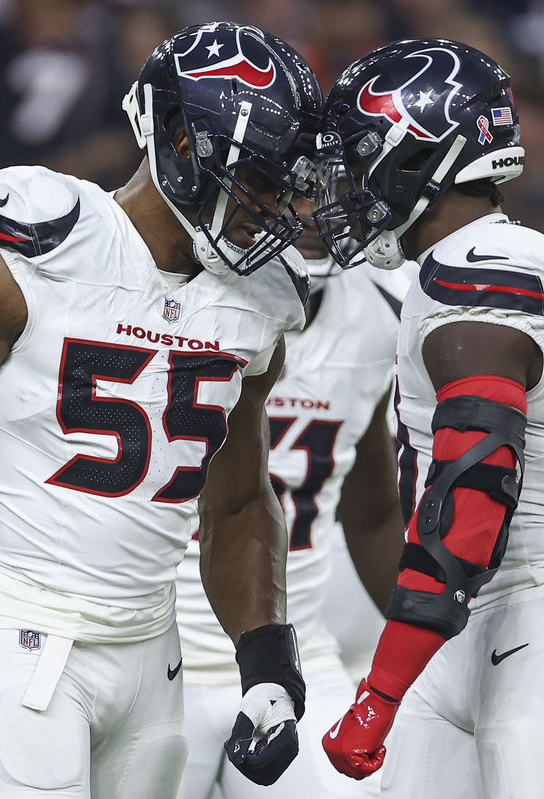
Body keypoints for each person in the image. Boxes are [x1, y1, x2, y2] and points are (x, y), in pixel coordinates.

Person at [0, 22, 322, 798]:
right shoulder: (47, 244)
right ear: (180, 141)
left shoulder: (259, 302)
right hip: (18, 623)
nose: (275, 204)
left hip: (152, 644)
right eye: (263, 175)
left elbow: (239, 493)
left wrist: (267, 653)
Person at [312, 39, 544, 797]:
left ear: (421, 156)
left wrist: (379, 689)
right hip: (480, 631)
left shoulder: (483, 267)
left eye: (362, 155)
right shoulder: (462, 266)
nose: (347, 181)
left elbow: (474, 493)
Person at [175, 198, 410, 799]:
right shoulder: (171, 291)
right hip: (156, 651)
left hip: (297, 657)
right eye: (287, 184)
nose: (306, 210)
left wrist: (425, 644)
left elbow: (374, 513)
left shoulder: (382, 312)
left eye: (324, 185)